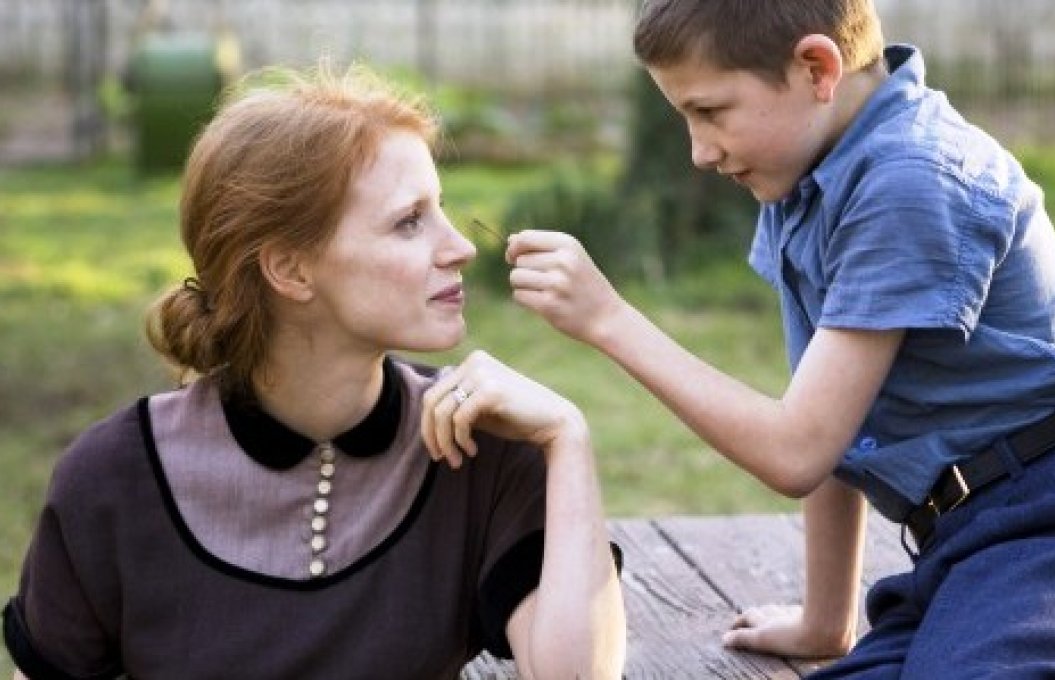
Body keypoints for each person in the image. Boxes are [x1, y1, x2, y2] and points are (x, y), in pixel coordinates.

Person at [503, 0, 1055, 677]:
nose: (698, 152)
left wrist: (610, 320)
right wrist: (825, 623)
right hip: (959, 554)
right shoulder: (806, 185)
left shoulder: (911, 178)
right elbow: (833, 428)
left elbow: (797, 450)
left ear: (817, 67)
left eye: (710, 111)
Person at [2, 63, 625, 680]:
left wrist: (565, 437)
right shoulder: (113, 479)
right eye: (410, 221)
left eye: (441, 209)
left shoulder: (478, 444)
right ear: (291, 271)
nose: (460, 246)